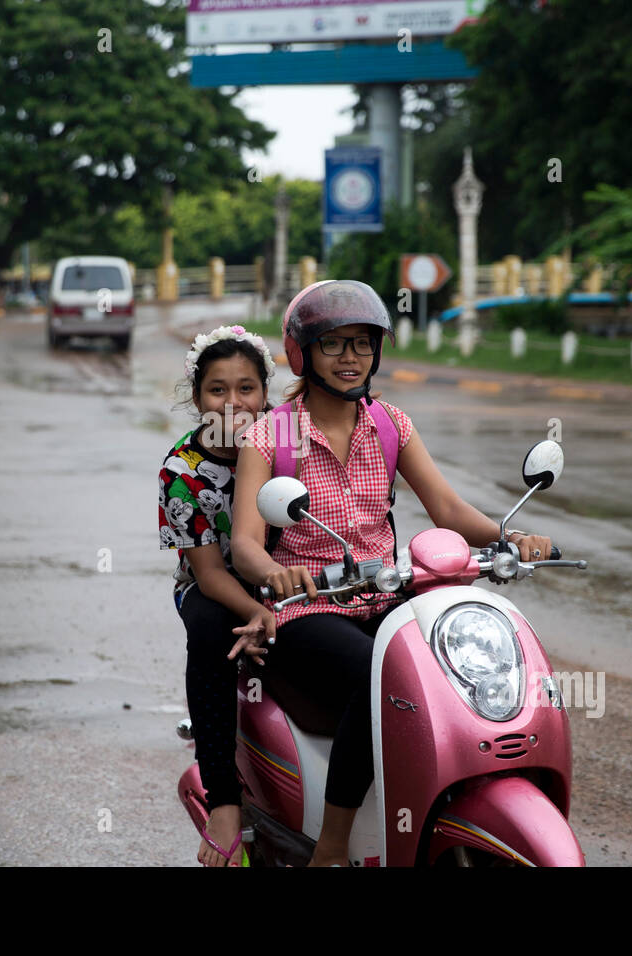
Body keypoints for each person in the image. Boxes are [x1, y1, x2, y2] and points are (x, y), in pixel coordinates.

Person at [230, 280, 553, 867]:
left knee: (458, 671)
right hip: (307, 608)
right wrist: (278, 573)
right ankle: (330, 850)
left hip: (389, 598)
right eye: (334, 344)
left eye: (362, 344)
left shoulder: (390, 425)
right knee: (380, 684)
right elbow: (248, 543)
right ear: (303, 354)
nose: (350, 358)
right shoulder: (270, 435)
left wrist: (509, 539)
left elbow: (449, 512)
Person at [158, 324, 279, 867]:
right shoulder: (181, 471)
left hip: (286, 579)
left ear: (265, 393)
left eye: (246, 388)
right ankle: (224, 799)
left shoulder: (288, 443)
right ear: (197, 396)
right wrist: (255, 610)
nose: (233, 403)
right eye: (217, 389)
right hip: (214, 586)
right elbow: (207, 574)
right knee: (210, 626)